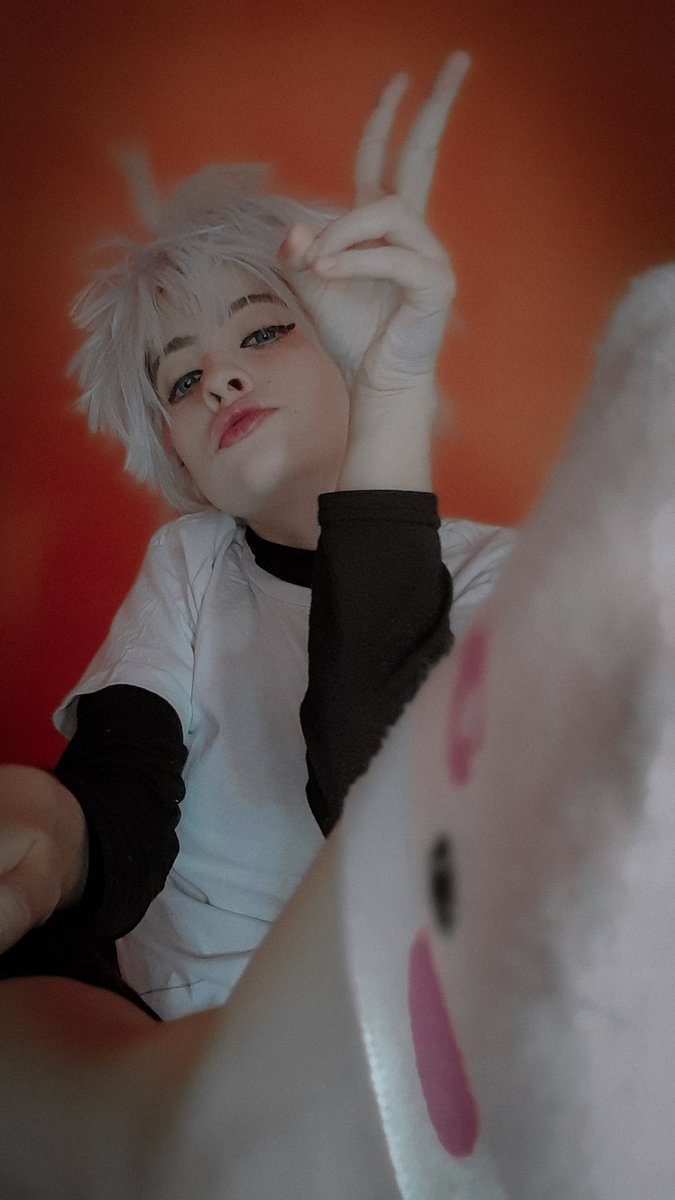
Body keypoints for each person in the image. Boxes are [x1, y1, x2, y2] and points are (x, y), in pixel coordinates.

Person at [0, 51, 511, 1025]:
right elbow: (124, 780)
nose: (224, 379)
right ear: (181, 462)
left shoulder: (501, 574)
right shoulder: (189, 563)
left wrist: (394, 388)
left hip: (384, 1039)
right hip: (174, 1037)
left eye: (263, 332)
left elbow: (384, 809)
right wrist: (49, 835)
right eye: (183, 380)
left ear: (352, 343)